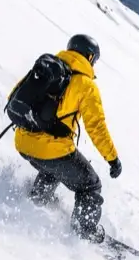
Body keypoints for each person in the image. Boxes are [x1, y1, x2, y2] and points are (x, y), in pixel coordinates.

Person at [11, 34, 122, 243]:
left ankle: (38, 199)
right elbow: (96, 127)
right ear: (90, 57)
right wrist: (113, 159)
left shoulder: (45, 69)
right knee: (90, 185)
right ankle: (84, 232)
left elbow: (14, 97)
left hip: (23, 142)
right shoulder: (86, 85)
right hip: (50, 150)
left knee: (55, 168)